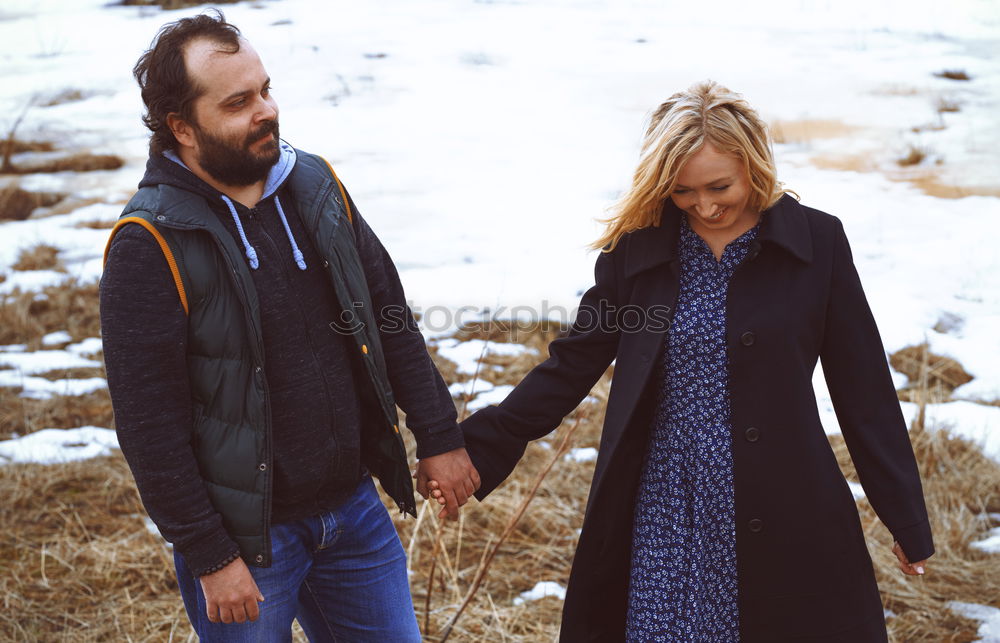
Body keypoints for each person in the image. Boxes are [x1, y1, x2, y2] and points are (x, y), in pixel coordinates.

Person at [433, 80, 933, 641]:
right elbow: (572, 363)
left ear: (754, 164)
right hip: (664, 506)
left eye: (721, 186)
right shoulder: (639, 251)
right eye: (683, 192)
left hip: (786, 499)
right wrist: (476, 445)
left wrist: (904, 514)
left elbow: (863, 388)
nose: (707, 205)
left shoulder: (816, 243)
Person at [100, 12, 478, 642]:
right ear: (181, 127)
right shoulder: (151, 243)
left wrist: (438, 434)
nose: (266, 111)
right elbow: (149, 426)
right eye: (239, 102)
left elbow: (387, 316)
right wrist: (211, 556)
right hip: (246, 541)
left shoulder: (314, 185)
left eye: (266, 89)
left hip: (353, 512)